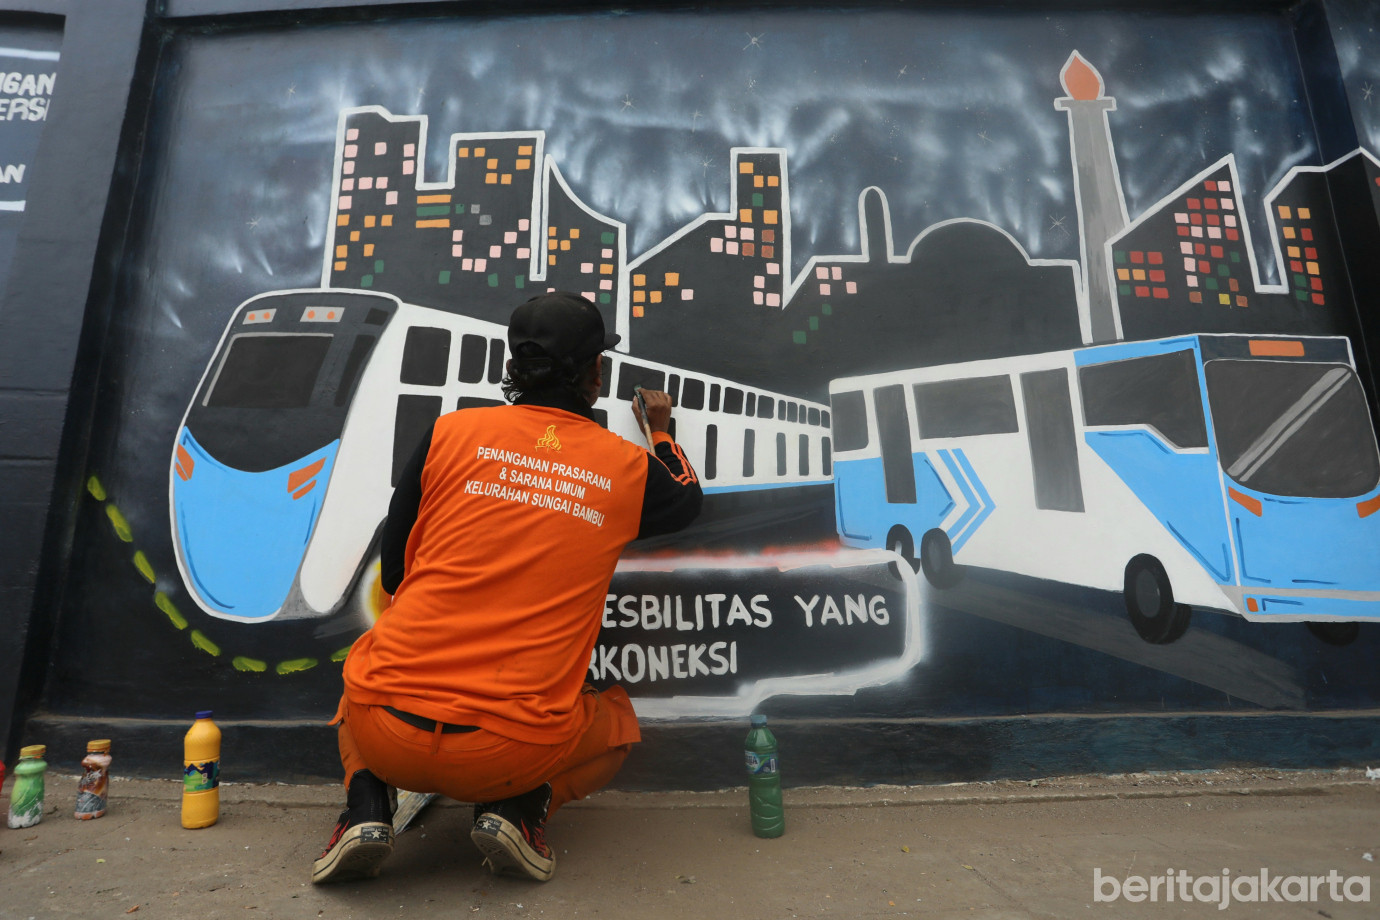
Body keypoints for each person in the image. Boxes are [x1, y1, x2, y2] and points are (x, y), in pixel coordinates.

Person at [312, 291, 702, 885]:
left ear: (513, 366)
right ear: (594, 374)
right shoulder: (624, 469)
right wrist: (662, 432)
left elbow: (394, 573)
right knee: (617, 725)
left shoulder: (450, 433)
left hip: (387, 733)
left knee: (364, 674)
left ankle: (365, 807)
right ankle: (518, 809)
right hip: (509, 750)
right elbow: (686, 497)